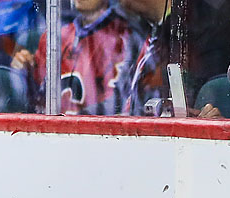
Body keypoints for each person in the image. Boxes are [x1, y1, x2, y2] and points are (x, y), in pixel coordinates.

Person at [11, 0, 145, 115]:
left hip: (98, 137)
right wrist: (24, 71)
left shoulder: (126, 37)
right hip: (55, 136)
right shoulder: (54, 38)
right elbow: (38, 102)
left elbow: (118, 105)